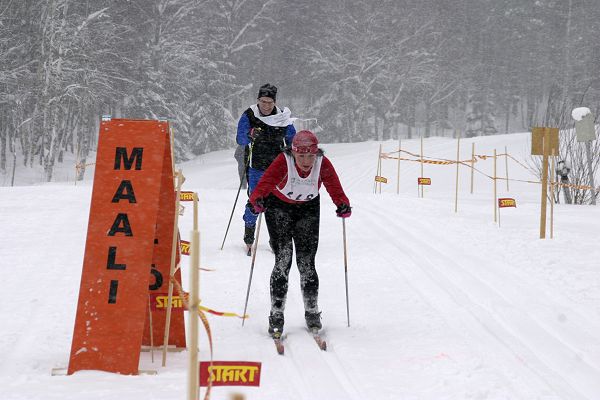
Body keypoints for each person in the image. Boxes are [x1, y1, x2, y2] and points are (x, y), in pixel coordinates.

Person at [248, 130, 352, 337]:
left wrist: (342, 203)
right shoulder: (283, 161)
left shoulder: (323, 163)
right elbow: (265, 183)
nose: (307, 161)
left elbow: (333, 185)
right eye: (302, 156)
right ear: (293, 152)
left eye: (311, 156)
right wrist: (256, 200)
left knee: (306, 263)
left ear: (316, 153)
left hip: (308, 209)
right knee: (283, 260)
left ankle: (312, 311)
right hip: (279, 209)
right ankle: (276, 314)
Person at [236, 83, 296, 253]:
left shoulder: (282, 117)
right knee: (256, 202)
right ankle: (249, 236)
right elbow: (240, 140)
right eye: (263, 101)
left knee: (277, 204)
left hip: (278, 168)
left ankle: (274, 239)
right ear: (258, 100)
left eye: (270, 102)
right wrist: (249, 135)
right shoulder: (250, 115)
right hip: (255, 167)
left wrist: (293, 152)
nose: (266, 106)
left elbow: (293, 139)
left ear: (275, 102)